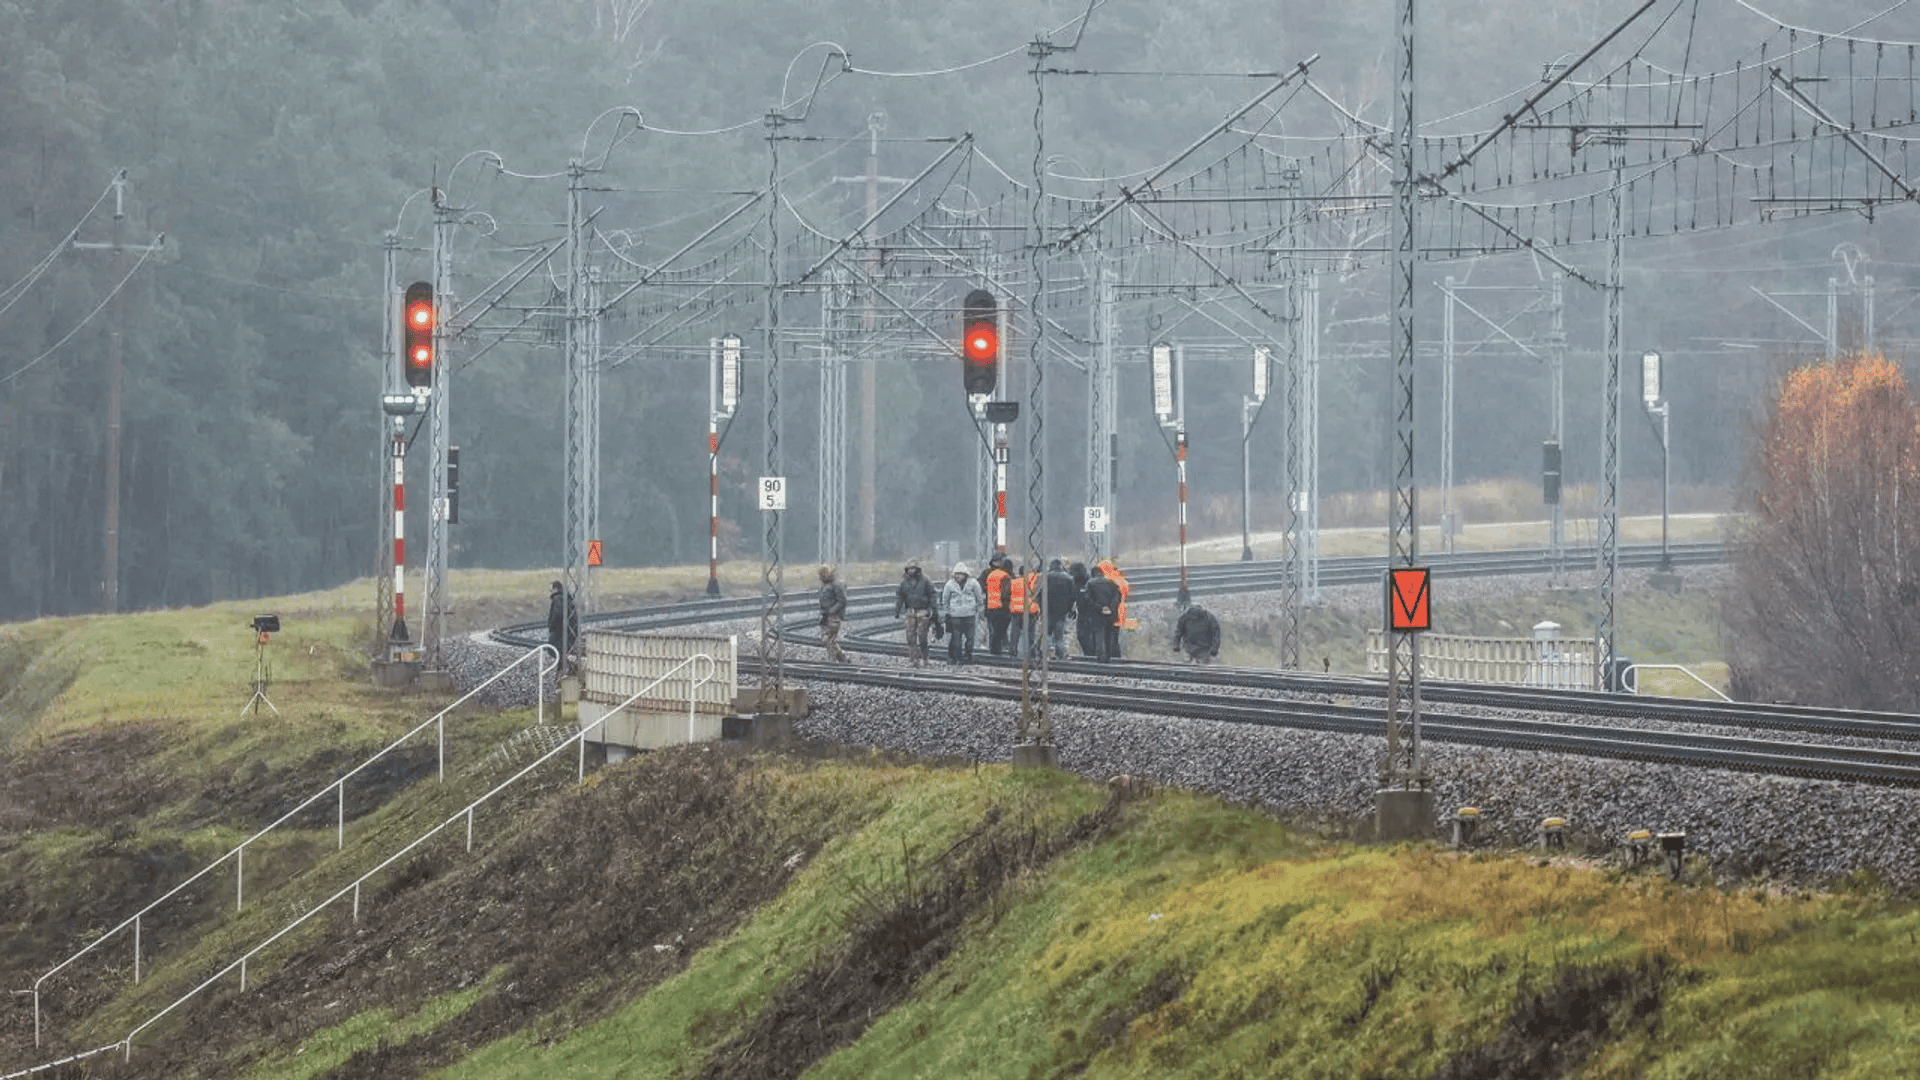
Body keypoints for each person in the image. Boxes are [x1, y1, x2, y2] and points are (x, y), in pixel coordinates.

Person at [894, 559, 939, 668]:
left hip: (923, 612)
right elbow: (900, 597)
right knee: (910, 637)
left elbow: (933, 595)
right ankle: (913, 659)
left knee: (922, 637)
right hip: (910, 611)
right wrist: (897, 610)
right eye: (909, 569)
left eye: (913, 568)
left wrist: (934, 610)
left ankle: (925, 659)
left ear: (917, 569)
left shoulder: (926, 580)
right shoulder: (904, 582)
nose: (911, 571)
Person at [941, 562, 984, 665]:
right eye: (956, 574)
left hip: (970, 615)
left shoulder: (973, 583)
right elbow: (945, 599)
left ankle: (968, 656)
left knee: (970, 639)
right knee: (956, 639)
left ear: (965, 574)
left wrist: (980, 611)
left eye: (960, 574)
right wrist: (947, 613)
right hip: (955, 616)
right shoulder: (949, 585)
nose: (958, 576)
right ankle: (958, 658)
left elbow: (979, 598)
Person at [1083, 565, 1123, 662]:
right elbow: (1118, 596)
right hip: (1111, 614)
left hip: (1097, 614)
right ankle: (1111, 657)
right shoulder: (1111, 582)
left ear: (1093, 574)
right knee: (1110, 635)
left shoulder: (1090, 583)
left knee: (1099, 635)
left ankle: (1101, 659)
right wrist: (1110, 607)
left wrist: (1100, 608)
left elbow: (1087, 599)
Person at [1044, 559, 1076, 661]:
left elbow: (1040, 593)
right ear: (1061, 566)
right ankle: (1060, 655)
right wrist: (1070, 609)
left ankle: (1047, 655)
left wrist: (1041, 607)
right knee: (1060, 635)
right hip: (1062, 611)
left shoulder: (1046, 577)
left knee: (1047, 633)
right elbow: (1073, 596)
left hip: (1048, 610)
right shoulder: (1069, 578)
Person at [817, 564, 849, 663]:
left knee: (828, 640)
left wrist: (832, 611)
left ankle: (833, 661)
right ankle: (843, 659)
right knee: (828, 640)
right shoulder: (825, 585)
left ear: (826, 573)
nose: (820, 577)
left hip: (833, 617)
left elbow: (842, 601)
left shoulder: (836, 584)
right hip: (826, 616)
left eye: (821, 574)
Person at [546, 580, 579, 675]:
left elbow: (558, 614)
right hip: (570, 630)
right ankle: (564, 669)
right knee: (562, 651)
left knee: (555, 650)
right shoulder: (567, 598)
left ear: (554, 589)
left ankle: (565, 668)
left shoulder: (557, 599)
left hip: (560, 631)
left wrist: (552, 626)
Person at [983, 556, 1012, 656]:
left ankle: (994, 651)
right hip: (1002, 607)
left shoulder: (988, 574)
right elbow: (1007, 592)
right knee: (999, 631)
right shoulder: (1005, 575)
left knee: (994, 631)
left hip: (990, 606)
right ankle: (998, 651)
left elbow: (982, 588)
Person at [1070, 560, 1097, 658]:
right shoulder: (1074, 582)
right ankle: (1088, 655)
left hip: (1092, 613)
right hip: (1081, 614)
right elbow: (1071, 596)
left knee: (1091, 637)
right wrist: (1071, 609)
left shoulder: (1090, 581)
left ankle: (1092, 656)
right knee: (1081, 636)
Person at [1007, 564, 1030, 659]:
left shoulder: (1013, 582)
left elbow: (1007, 595)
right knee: (1027, 633)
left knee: (1015, 633)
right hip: (1027, 611)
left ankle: (1013, 652)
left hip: (1015, 611)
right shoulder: (1030, 583)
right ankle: (1026, 653)